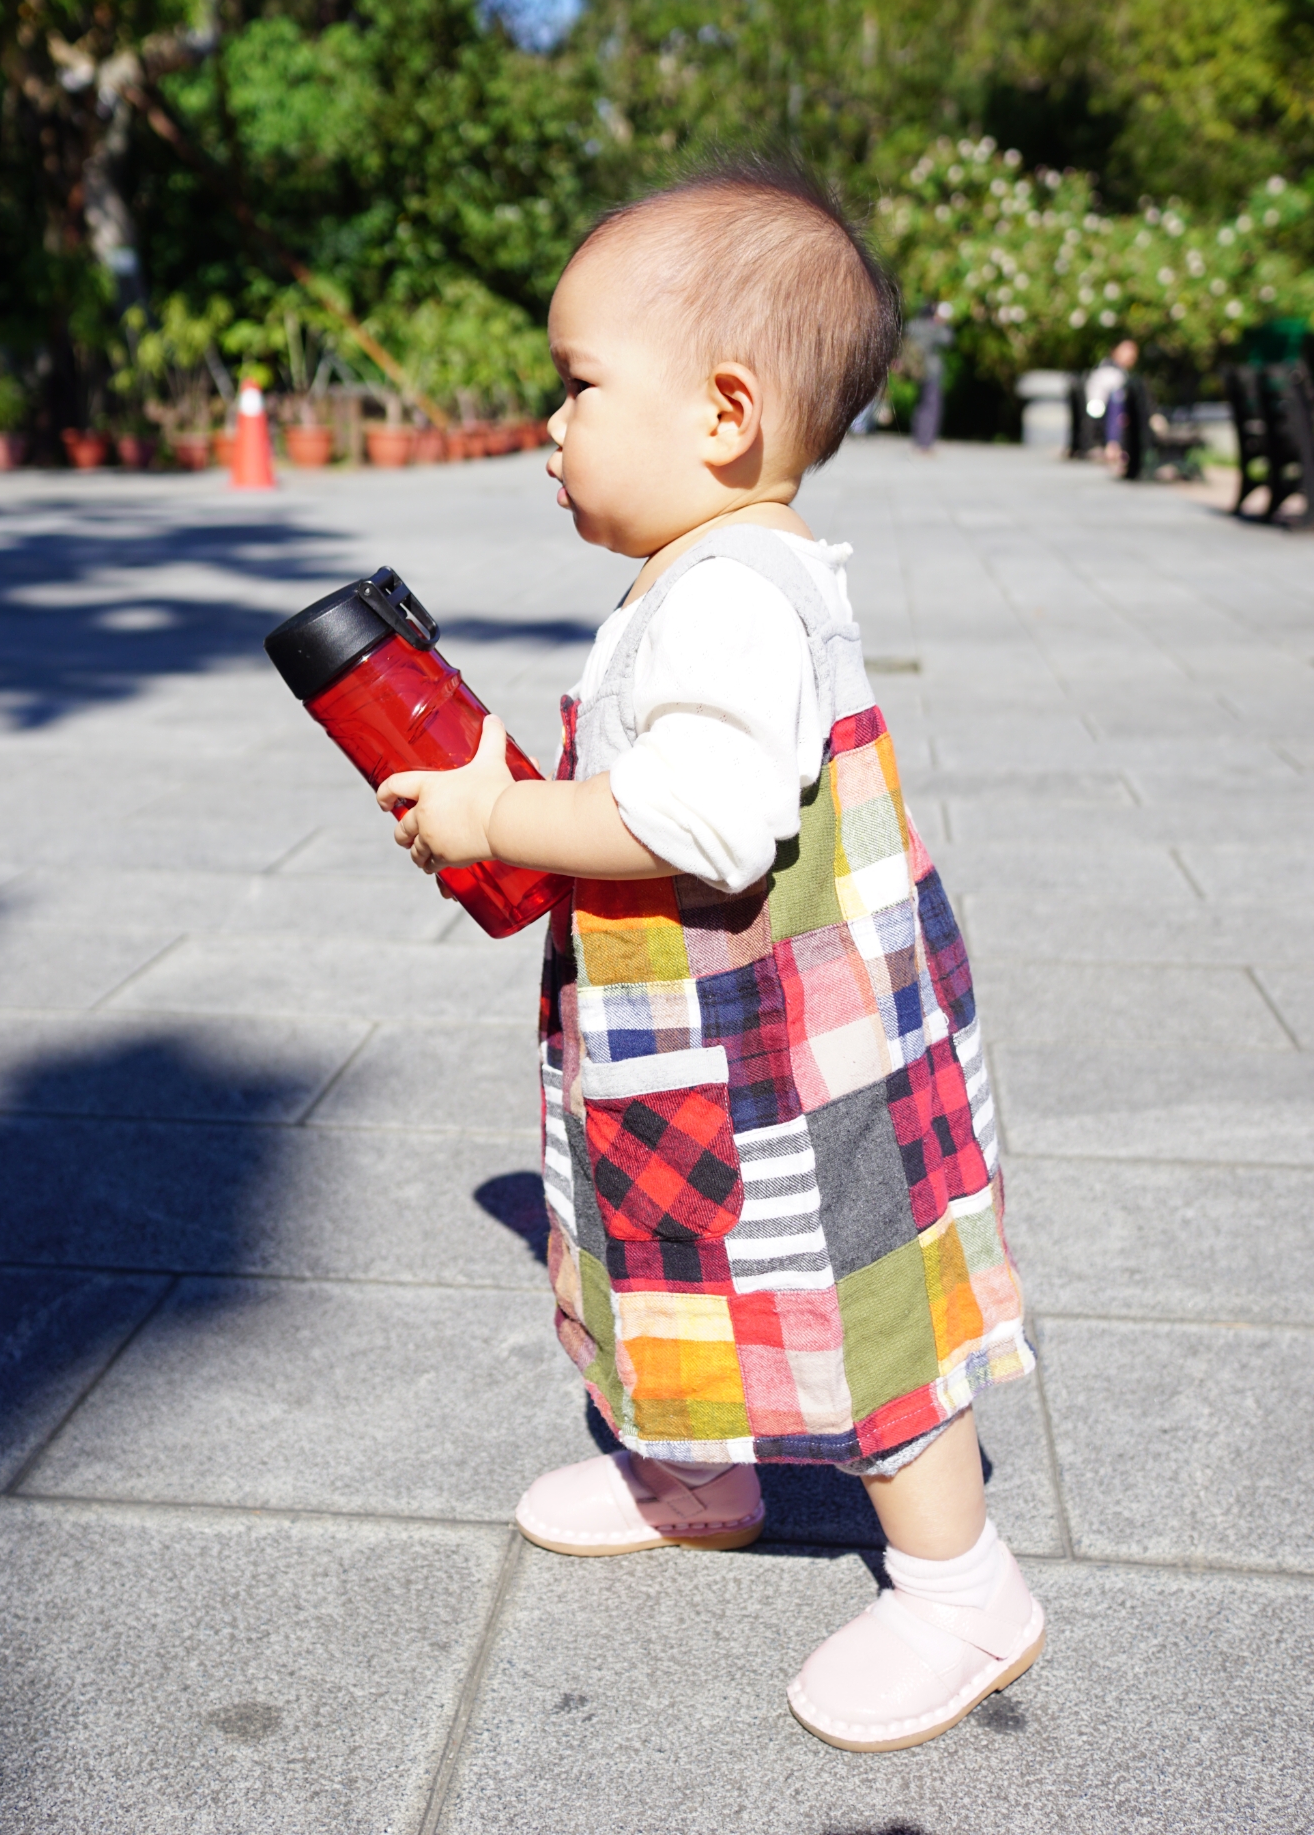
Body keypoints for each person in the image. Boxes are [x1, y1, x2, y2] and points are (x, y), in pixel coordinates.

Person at [377, 159, 1043, 1754]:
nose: (550, 425)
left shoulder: (734, 594)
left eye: (578, 385)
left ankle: (961, 1584)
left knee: (858, 1292)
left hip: (795, 1067)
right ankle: (698, 1470)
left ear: (724, 413)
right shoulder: (699, 573)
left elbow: (705, 820)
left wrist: (499, 815)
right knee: (669, 1252)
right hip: (705, 1045)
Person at [1084, 337, 1140, 474]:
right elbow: (1114, 404)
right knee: (1118, 400)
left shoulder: (1110, 369)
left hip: (1100, 415)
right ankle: (1114, 446)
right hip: (1101, 417)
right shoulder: (1111, 372)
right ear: (1115, 351)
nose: (1131, 355)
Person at [906, 300, 954, 451]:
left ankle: (918, 439)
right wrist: (942, 323)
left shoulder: (913, 325)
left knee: (921, 405)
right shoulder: (934, 328)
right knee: (931, 406)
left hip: (917, 371)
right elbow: (948, 339)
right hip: (931, 371)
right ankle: (925, 443)